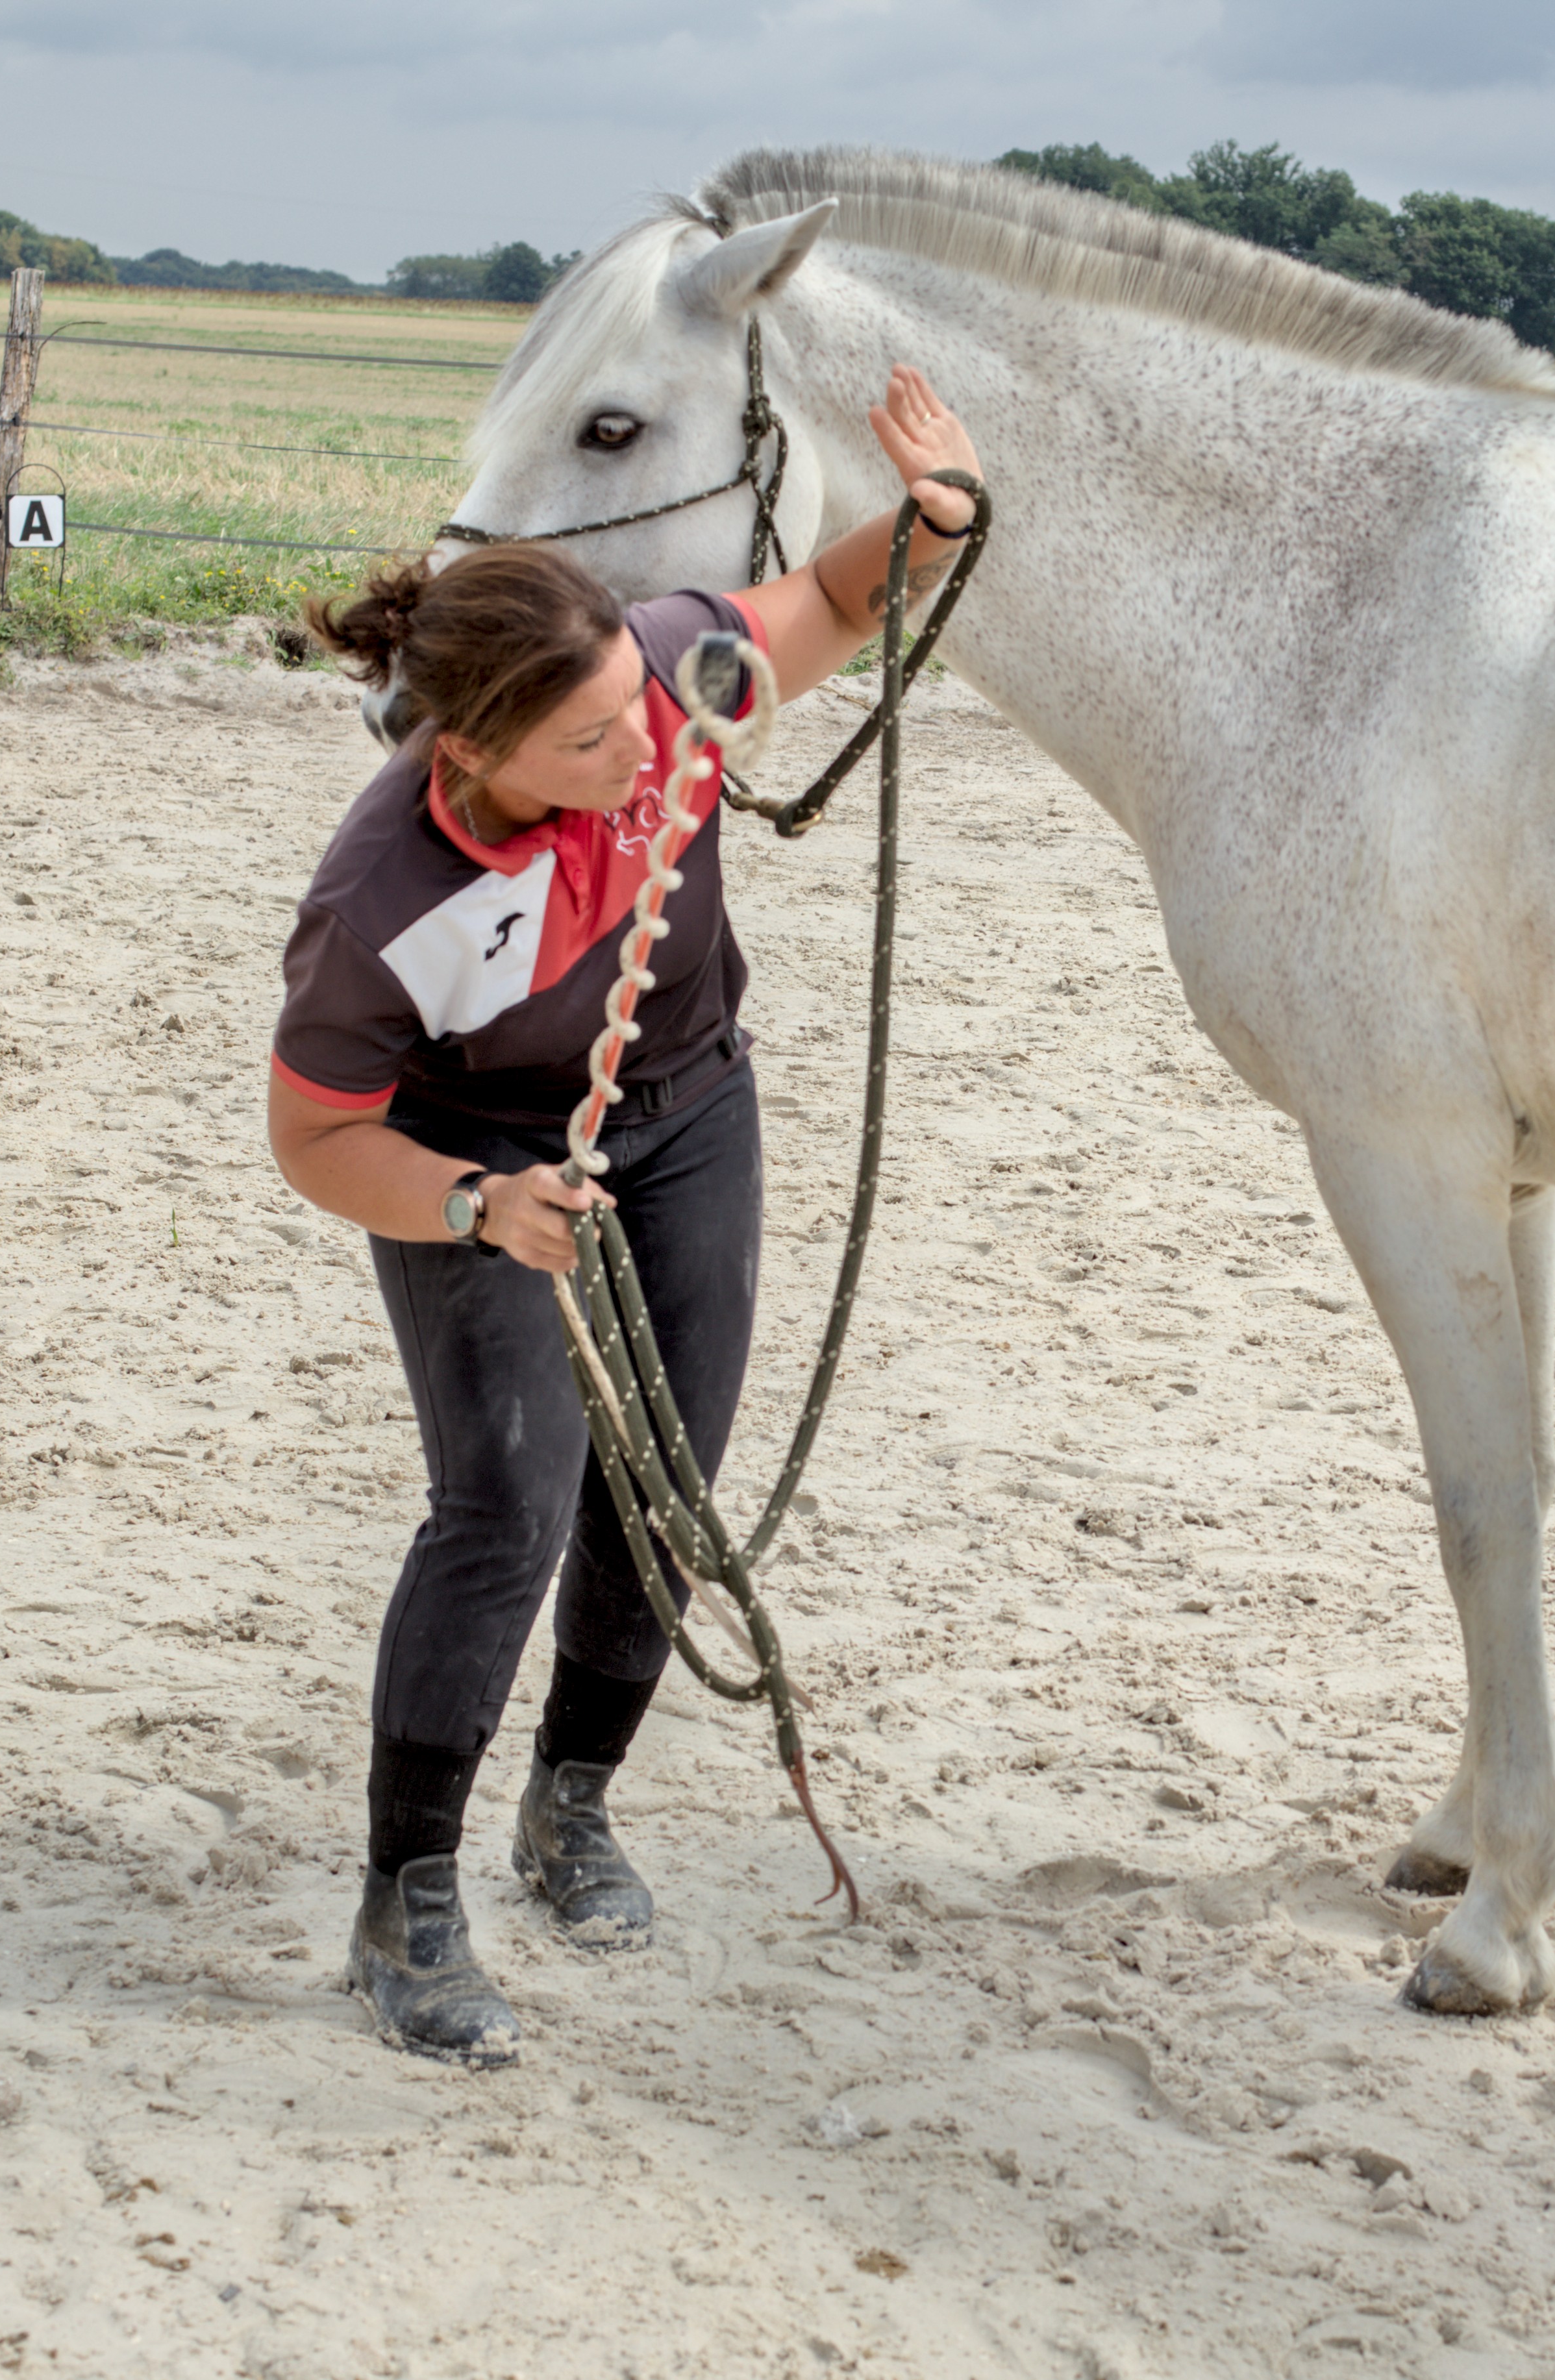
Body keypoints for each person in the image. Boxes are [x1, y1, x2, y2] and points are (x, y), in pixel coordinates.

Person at [268, 367, 982, 2066]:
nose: (641, 746)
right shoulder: (389, 908)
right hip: (481, 1156)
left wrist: (934, 520)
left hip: (688, 1110)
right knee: (506, 1501)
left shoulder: (661, 669)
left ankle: (569, 1802)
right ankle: (406, 1898)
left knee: (671, 1492)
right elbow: (314, 1130)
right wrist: (469, 1199)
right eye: (589, 741)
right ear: (480, 747)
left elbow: (822, 601)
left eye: (633, 710)